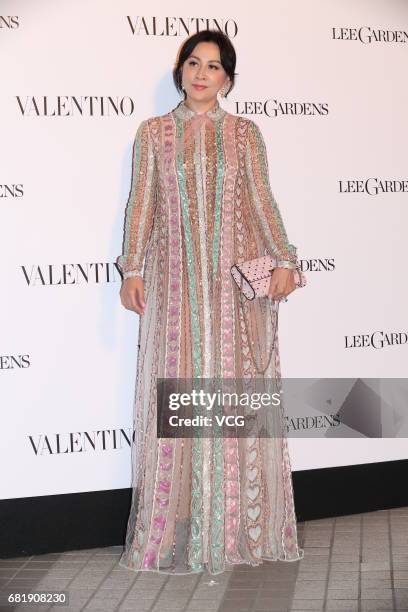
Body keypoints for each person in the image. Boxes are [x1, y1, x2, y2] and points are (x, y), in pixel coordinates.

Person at [116, 29, 304, 575]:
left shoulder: (245, 134)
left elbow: (261, 199)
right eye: (193, 63)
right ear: (181, 69)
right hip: (175, 291)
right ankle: (179, 529)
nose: (202, 73)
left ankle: (231, 529)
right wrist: (133, 268)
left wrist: (286, 258)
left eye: (214, 66)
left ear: (228, 78)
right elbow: (141, 206)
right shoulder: (152, 134)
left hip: (230, 296)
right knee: (180, 400)